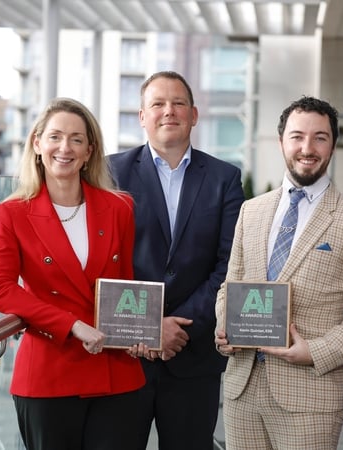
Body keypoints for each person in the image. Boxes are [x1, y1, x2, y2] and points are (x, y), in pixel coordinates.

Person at [214, 95, 343, 449]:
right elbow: (229, 286)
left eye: (319, 138)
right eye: (297, 136)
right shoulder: (252, 210)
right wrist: (224, 326)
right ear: (281, 141)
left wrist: (317, 351)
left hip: (311, 394)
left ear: (333, 145)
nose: (307, 147)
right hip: (242, 390)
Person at [0, 97, 146, 450]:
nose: (65, 147)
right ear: (38, 144)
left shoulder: (120, 208)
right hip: (48, 373)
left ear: (90, 151)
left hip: (115, 370)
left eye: (76, 139)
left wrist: (135, 328)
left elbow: (125, 283)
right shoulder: (12, 213)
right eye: (56, 137)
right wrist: (70, 324)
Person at [109, 71, 244, 450]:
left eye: (178, 103)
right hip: (126, 355)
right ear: (141, 116)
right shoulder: (109, 173)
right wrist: (147, 326)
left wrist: (179, 327)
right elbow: (104, 261)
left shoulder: (225, 178)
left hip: (194, 355)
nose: (169, 111)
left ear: (194, 114)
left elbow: (230, 264)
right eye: (158, 104)